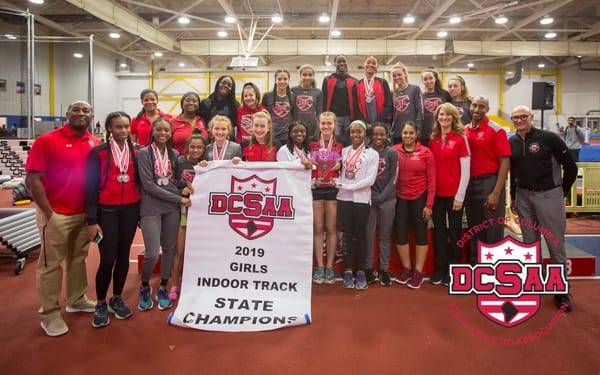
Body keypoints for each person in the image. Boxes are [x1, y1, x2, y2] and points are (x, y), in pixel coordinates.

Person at [25, 100, 102, 336]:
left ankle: (76, 299)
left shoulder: (95, 143)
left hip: (83, 214)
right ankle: (49, 314)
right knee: (50, 265)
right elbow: (33, 179)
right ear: (67, 114)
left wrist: (92, 216)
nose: (81, 114)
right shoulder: (47, 141)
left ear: (92, 116)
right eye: (76, 110)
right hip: (56, 214)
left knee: (77, 259)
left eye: (86, 111)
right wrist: (50, 214)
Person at [509, 105, 577, 311]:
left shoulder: (549, 138)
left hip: (549, 195)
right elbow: (514, 171)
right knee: (530, 244)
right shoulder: (511, 141)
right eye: (515, 117)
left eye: (523, 116)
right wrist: (513, 197)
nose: (519, 120)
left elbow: (571, 167)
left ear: (531, 117)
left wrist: (561, 192)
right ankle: (534, 284)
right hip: (523, 197)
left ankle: (561, 290)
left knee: (555, 244)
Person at [86, 111, 140, 327]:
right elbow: (89, 188)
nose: (124, 131)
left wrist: (141, 214)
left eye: (127, 126)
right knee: (108, 258)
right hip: (106, 211)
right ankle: (100, 302)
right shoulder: (97, 152)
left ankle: (116, 298)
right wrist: (91, 220)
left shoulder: (137, 152)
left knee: (124, 256)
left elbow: (141, 183)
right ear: (109, 128)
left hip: (130, 209)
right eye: (119, 127)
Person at [137, 117, 191, 311]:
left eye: (166, 131)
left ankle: (162, 287)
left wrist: (186, 187)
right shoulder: (144, 154)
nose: (162, 133)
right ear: (152, 132)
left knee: (169, 249)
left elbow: (174, 180)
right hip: (151, 207)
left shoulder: (174, 153)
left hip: (171, 210)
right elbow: (149, 185)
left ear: (170, 133)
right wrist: (179, 199)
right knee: (152, 253)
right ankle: (144, 287)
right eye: (158, 130)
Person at [464, 96, 511, 264]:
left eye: (481, 106)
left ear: (487, 109)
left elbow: (505, 161)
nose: (477, 109)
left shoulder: (496, 130)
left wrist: (496, 192)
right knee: (474, 228)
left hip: (489, 183)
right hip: (470, 184)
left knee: (492, 230)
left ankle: (493, 270)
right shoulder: (465, 129)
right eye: (475, 105)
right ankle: (477, 267)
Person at [429, 103, 471, 286]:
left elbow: (466, 170)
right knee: (439, 233)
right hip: (437, 195)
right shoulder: (433, 138)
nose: (444, 117)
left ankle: (454, 269)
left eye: (448, 115)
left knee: (455, 233)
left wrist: (460, 196)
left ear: (454, 118)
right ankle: (440, 268)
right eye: (441, 114)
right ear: (437, 117)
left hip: (454, 196)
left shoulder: (461, 138)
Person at [337, 120, 379, 290]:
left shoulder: (372, 154)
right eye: (353, 132)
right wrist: (335, 181)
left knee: (361, 235)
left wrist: (348, 186)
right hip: (344, 198)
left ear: (365, 134)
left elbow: (370, 179)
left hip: (362, 198)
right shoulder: (344, 151)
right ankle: (348, 271)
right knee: (347, 235)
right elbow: (337, 171)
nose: (355, 135)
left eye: (359, 132)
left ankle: (361, 271)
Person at [170, 131, 206, 301]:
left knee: (199, 251)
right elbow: (171, 182)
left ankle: (196, 283)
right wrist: (181, 189)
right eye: (192, 147)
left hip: (201, 214)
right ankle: (175, 284)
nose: (195, 150)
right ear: (187, 148)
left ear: (204, 149)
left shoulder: (207, 165)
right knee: (180, 249)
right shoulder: (179, 162)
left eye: (199, 147)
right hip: (183, 211)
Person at [309, 112, 343, 285]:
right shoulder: (312, 144)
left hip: (332, 190)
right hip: (316, 189)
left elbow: (347, 168)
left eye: (329, 123)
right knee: (318, 228)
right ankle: (319, 267)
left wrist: (342, 164)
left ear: (334, 124)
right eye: (323, 123)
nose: (326, 126)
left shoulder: (340, 145)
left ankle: (329, 267)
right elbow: (305, 167)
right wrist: (312, 178)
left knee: (331, 228)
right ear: (318, 124)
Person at [365, 123, 398, 286]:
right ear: (370, 136)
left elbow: (394, 178)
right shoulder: (366, 152)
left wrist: (382, 196)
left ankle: (384, 269)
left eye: (381, 134)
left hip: (387, 200)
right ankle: (368, 269)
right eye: (375, 134)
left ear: (387, 136)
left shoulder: (392, 153)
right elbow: (362, 176)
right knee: (368, 234)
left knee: (385, 236)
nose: (378, 137)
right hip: (369, 199)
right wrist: (372, 195)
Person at [322, 54, 358, 146]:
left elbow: (356, 101)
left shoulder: (354, 81)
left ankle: (348, 159)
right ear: (335, 64)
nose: (341, 63)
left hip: (349, 117)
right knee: (335, 140)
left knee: (349, 139)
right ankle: (335, 159)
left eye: (343, 61)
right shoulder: (327, 80)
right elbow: (324, 99)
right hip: (334, 116)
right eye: (339, 61)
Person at [353, 56, 393, 130]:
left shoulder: (383, 82)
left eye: (374, 63)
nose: (371, 65)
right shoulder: (357, 85)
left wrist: (379, 122)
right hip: (364, 125)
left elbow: (388, 104)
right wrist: (364, 122)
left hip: (381, 123)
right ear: (364, 65)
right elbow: (355, 107)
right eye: (368, 62)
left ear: (377, 66)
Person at [390, 63, 423, 144]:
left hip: (411, 132)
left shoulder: (415, 89)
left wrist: (418, 127)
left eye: (399, 74)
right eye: (394, 76)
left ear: (405, 74)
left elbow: (420, 109)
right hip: (397, 132)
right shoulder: (392, 93)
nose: (397, 77)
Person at [262, 70, 295, 145]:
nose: (282, 81)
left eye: (285, 79)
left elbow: (293, 115)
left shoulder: (293, 96)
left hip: (287, 136)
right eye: (279, 79)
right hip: (271, 136)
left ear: (289, 80)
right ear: (275, 80)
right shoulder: (267, 96)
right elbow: (264, 115)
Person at [421, 68, 451, 147]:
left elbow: (454, 106)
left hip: (442, 132)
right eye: (425, 79)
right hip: (425, 134)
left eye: (431, 78)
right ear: (422, 81)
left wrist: (468, 99)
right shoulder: (420, 96)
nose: (428, 81)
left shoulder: (444, 94)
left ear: (435, 79)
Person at [292, 64, 323, 140]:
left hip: (311, 128)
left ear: (313, 76)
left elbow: (319, 113)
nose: (307, 77)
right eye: (304, 75)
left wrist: (317, 130)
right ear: (300, 75)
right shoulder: (293, 90)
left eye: (310, 75)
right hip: (296, 127)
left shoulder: (318, 92)